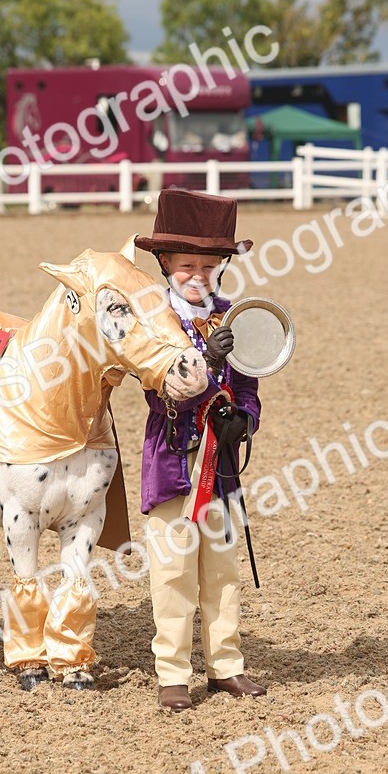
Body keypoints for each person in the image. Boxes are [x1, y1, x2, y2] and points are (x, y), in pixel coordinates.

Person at [135, 190, 266, 712]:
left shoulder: (238, 317)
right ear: (166, 263)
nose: (198, 275)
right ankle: (172, 671)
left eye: (209, 266)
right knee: (172, 570)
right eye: (187, 264)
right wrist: (202, 361)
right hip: (173, 457)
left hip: (223, 464)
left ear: (223, 266)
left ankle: (226, 666)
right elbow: (158, 389)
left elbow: (251, 387)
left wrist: (244, 422)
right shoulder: (153, 322)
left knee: (221, 569)